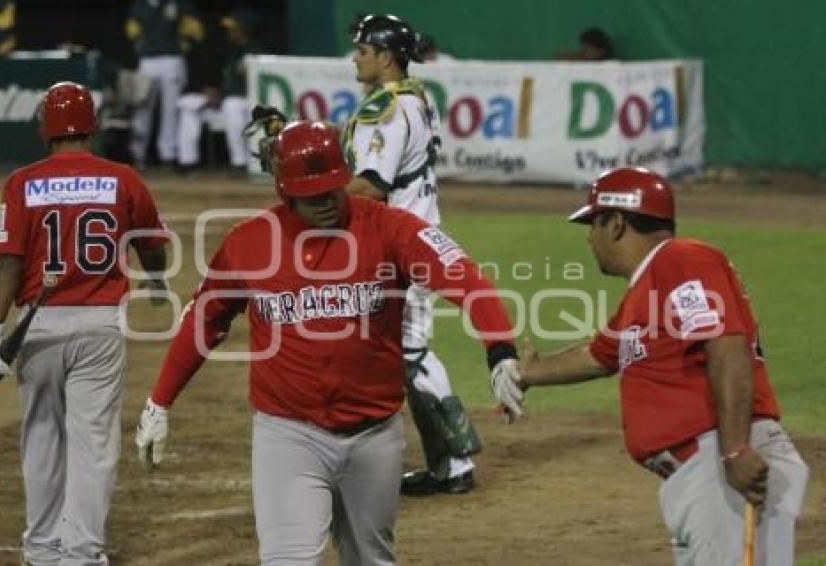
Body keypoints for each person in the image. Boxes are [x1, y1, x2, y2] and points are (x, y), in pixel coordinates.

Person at [134, 120, 525, 565]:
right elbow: (205, 319)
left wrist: (500, 349)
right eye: (311, 193)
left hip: (375, 432)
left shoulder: (390, 227)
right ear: (285, 191)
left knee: (370, 559)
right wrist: (159, 400)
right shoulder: (249, 241)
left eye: (333, 188)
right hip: (289, 433)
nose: (325, 200)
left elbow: (467, 279)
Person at [519, 166, 809, 565]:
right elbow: (598, 355)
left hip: (721, 464)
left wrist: (735, 449)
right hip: (700, 473)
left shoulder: (681, 259)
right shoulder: (648, 288)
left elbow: (726, 345)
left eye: (593, 224)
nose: (589, 238)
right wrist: (527, 373)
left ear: (617, 223)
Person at [0, 81, 169, 566]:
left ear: (45, 127)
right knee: (93, 444)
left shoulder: (23, 182)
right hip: (98, 327)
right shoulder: (122, 178)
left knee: (43, 440)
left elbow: (7, 261)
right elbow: (151, 241)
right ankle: (83, 554)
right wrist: (153, 283)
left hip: (38, 327)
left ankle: (42, 550)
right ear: (92, 125)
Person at [344, 13, 478, 496]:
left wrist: (306, 201)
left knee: (412, 351)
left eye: (362, 49)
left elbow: (372, 185)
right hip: (412, 237)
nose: (356, 57)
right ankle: (449, 461)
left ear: (384, 56)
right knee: (401, 349)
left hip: (401, 244)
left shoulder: (388, 108)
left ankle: (456, 461)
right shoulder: (415, 97)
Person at [176, 7, 261, 173]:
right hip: (224, 104)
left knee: (232, 105)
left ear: (244, 29)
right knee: (189, 108)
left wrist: (221, 96)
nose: (230, 30)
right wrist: (215, 94)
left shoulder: (255, 51)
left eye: (234, 27)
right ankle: (188, 162)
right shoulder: (230, 50)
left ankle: (240, 163)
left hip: (246, 105)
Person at [125, 0, 204, 167]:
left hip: (172, 59)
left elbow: (196, 32)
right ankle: (138, 154)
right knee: (142, 108)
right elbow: (131, 32)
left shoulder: (180, 4)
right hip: (147, 60)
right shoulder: (139, 6)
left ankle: (167, 155)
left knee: (171, 110)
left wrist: (185, 40)